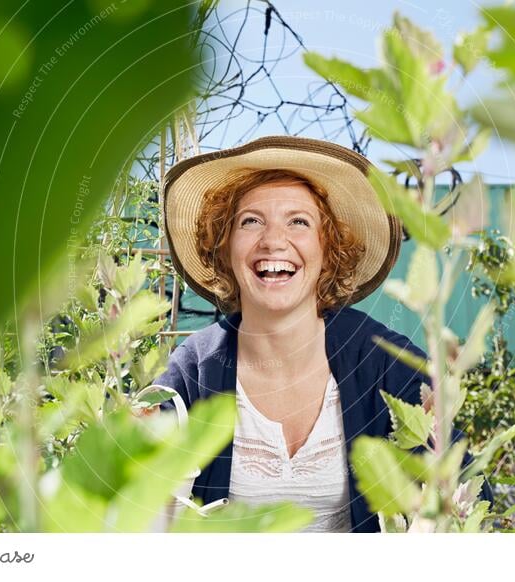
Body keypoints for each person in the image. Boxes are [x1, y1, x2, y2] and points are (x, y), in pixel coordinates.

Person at [153, 135, 492, 533]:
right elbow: (136, 503)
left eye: (298, 221)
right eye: (251, 221)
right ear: (225, 248)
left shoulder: (384, 361)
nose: (274, 240)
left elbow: (468, 494)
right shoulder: (197, 369)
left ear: (328, 248)